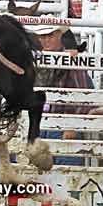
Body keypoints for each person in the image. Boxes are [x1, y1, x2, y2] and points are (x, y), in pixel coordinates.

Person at [34, 19, 92, 166]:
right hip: (38, 121)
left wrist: (72, 125)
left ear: (59, 35)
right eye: (43, 37)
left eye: (50, 36)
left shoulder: (70, 59)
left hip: (62, 123)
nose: (46, 40)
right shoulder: (35, 58)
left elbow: (83, 94)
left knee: (66, 167)